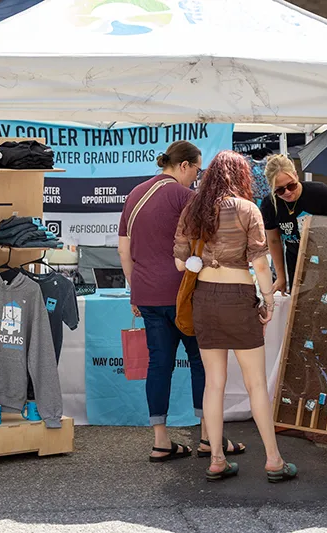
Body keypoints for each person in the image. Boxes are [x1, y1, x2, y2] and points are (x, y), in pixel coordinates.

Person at [174, 150, 296, 483]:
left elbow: (180, 265)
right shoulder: (248, 210)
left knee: (213, 383)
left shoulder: (193, 210)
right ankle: (273, 460)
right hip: (239, 299)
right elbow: (260, 264)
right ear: (240, 177)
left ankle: (216, 459)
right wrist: (268, 300)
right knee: (256, 383)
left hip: (205, 299)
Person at [118, 141, 244, 462]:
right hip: (184, 295)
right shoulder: (184, 196)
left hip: (147, 295)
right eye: (196, 170)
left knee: (159, 364)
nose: (197, 178)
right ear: (184, 166)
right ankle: (208, 438)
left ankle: (161, 441)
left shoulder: (134, 196)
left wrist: (136, 290)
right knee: (202, 362)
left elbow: (123, 250)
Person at [261, 155, 327, 294]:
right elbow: (273, 240)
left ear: (296, 175)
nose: (288, 192)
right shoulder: (269, 204)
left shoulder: (320, 193)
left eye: (291, 185)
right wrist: (281, 277)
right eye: (280, 190)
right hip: (296, 265)